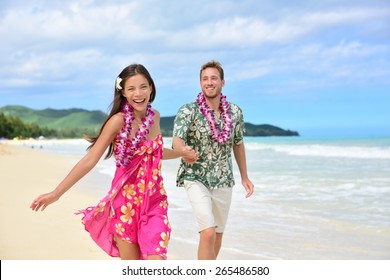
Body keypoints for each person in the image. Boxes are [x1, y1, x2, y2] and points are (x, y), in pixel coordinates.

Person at [30, 64, 198, 260]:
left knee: (156, 261)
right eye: (131, 88)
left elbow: (155, 152)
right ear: (124, 93)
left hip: (154, 202)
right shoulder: (117, 122)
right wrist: (56, 193)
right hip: (125, 205)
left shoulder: (156, 117)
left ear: (151, 88)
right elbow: (90, 159)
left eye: (143, 86)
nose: (138, 93)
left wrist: (180, 153)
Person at [172, 60, 254, 260]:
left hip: (223, 179)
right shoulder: (188, 110)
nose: (209, 82)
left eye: (214, 78)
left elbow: (238, 143)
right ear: (200, 83)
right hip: (195, 176)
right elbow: (176, 140)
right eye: (205, 79)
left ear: (222, 82)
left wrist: (245, 177)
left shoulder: (235, 112)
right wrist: (183, 151)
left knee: (217, 236)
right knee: (207, 232)